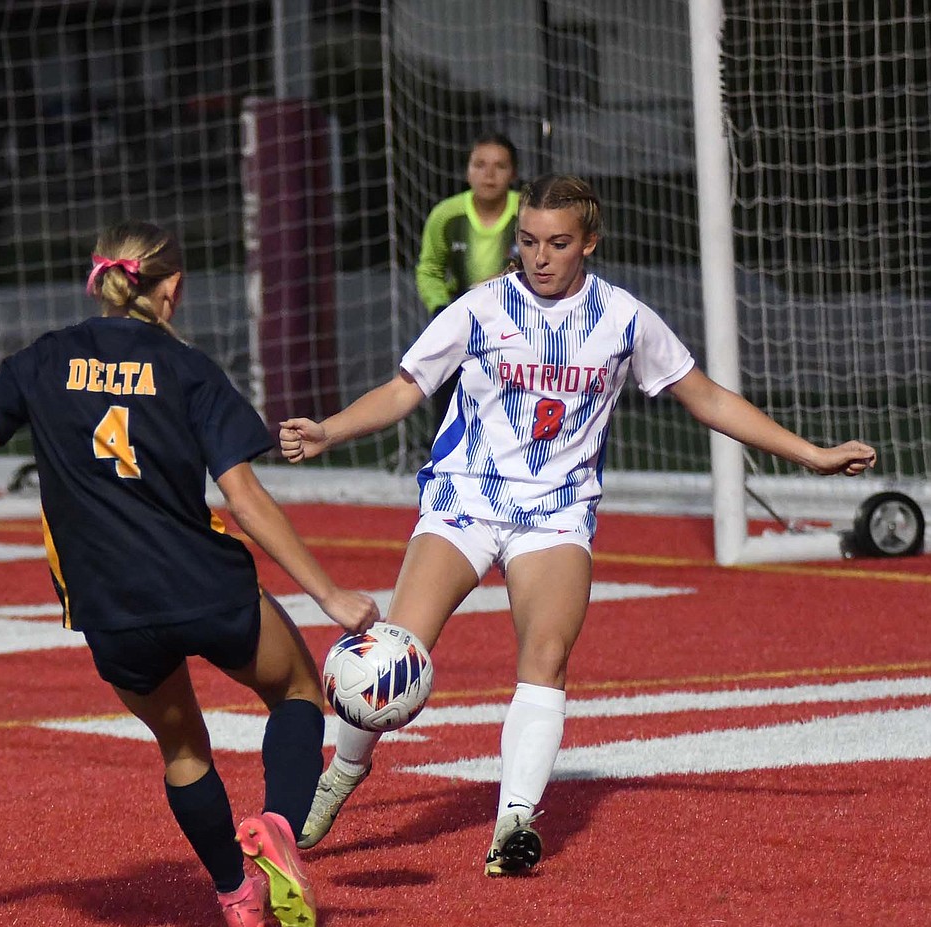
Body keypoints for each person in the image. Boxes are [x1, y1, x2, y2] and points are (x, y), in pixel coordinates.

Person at [280, 175, 877, 877]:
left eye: (558, 243)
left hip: (556, 514)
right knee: (390, 657)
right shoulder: (480, 309)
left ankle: (513, 823)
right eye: (528, 241)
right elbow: (405, 388)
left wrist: (809, 454)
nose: (540, 256)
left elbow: (705, 396)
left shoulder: (624, 318)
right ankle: (345, 770)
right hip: (464, 502)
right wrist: (329, 431)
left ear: (588, 243)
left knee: (548, 655)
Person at [0, 221, 379, 927]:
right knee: (295, 692)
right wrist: (329, 593)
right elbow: (245, 498)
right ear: (172, 289)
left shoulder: (43, 358)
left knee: (183, 750)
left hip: (109, 603)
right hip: (203, 582)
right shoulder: (189, 369)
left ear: (101, 281)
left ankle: (235, 896)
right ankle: (277, 826)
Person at [415, 133, 520, 426]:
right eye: (480, 164)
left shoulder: (528, 212)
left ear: (513, 173)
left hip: (517, 328)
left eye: (499, 166)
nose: (489, 174)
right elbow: (429, 270)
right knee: (449, 409)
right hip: (459, 324)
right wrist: (439, 308)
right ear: (467, 170)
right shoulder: (446, 215)